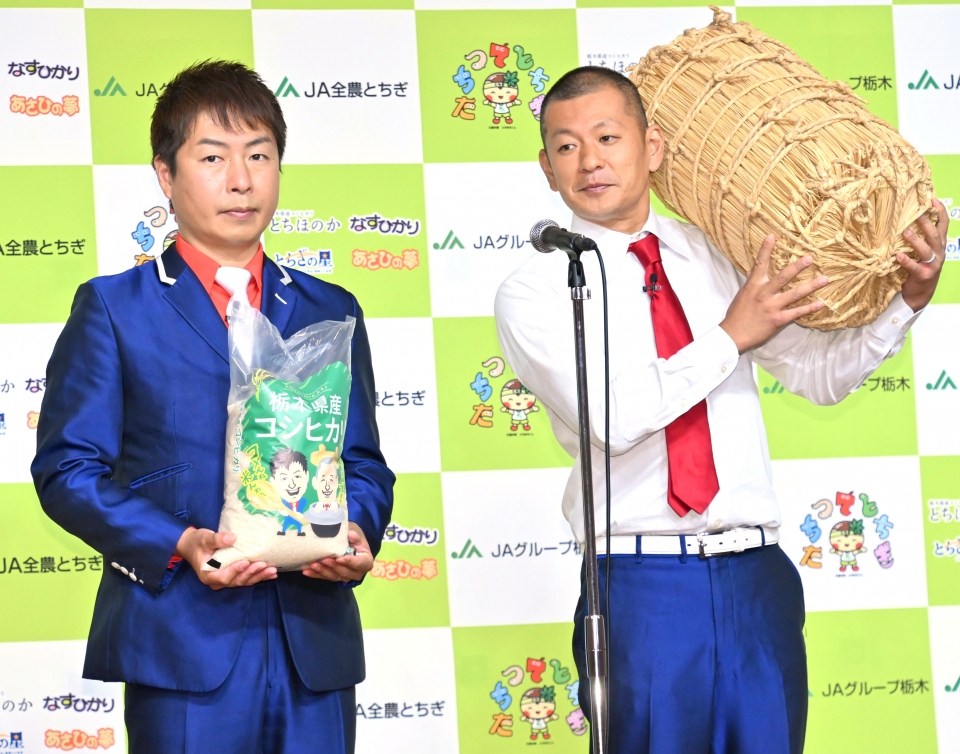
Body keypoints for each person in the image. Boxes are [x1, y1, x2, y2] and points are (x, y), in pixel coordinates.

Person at [494, 66, 947, 754]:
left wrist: (904, 304)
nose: (589, 161)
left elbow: (817, 373)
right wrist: (730, 335)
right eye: (566, 145)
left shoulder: (718, 252)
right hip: (640, 587)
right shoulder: (539, 288)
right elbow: (613, 418)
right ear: (545, 168)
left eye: (608, 137)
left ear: (653, 147)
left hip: (755, 578)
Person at [32, 61, 394, 754]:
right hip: (181, 641)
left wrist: (356, 533)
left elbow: (363, 462)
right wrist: (179, 542)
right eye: (212, 157)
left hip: (313, 642)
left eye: (259, 155)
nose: (241, 179)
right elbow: (67, 471)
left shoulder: (329, 307)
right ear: (165, 175)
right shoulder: (115, 308)